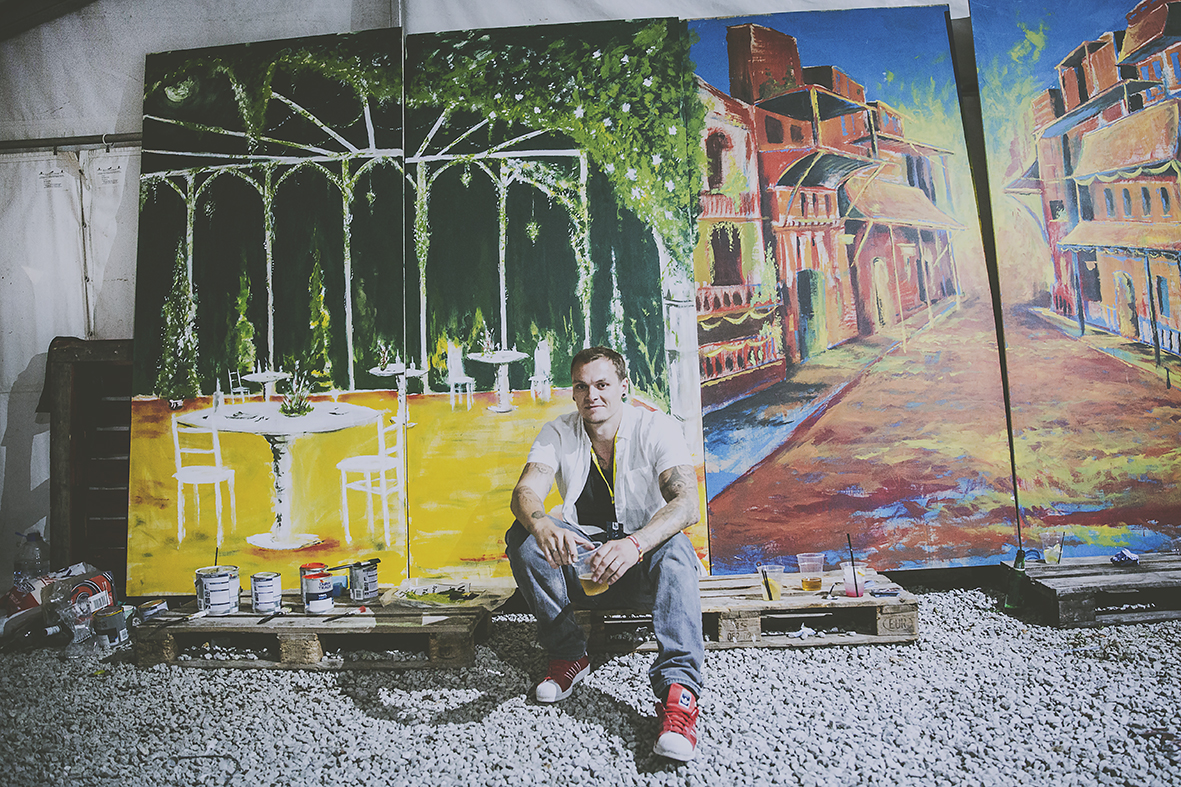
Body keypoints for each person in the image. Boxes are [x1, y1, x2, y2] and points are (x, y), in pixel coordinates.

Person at [506, 346, 704, 762]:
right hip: (584, 568)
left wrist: (635, 544)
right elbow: (525, 491)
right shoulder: (558, 432)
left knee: (676, 547)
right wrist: (542, 524)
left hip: (642, 569)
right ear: (573, 392)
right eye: (581, 386)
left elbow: (687, 504)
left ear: (623, 387)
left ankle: (679, 696)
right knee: (523, 536)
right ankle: (568, 654)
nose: (591, 395)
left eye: (602, 384)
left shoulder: (656, 427)